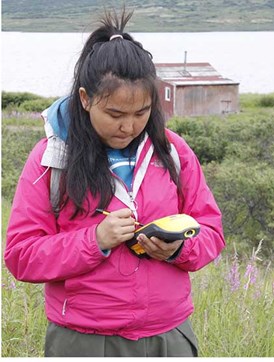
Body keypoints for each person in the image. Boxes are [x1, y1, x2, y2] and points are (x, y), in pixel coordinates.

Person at [4, 9, 225, 357]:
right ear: (85, 98)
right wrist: (95, 240)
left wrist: (180, 249)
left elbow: (211, 231)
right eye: (115, 115)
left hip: (168, 337)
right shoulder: (52, 159)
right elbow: (21, 256)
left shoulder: (174, 151)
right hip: (83, 340)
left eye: (142, 113)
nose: (129, 127)